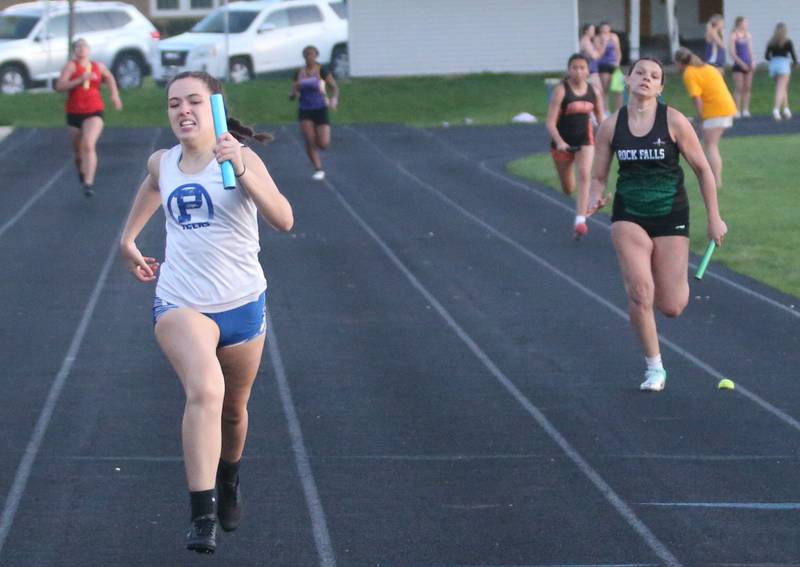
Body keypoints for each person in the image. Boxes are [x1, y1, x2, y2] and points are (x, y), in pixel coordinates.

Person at [119, 71, 293, 554]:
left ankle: (229, 479)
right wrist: (128, 238)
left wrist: (242, 170)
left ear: (214, 106)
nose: (182, 111)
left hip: (242, 304)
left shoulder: (240, 159)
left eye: (193, 101)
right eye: (174, 104)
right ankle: (202, 513)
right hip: (181, 302)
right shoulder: (164, 161)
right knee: (206, 390)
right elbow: (153, 185)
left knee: (234, 411)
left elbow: (284, 219)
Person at [587, 57, 727, 392]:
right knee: (640, 292)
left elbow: (703, 170)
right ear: (629, 79)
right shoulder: (611, 125)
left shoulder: (674, 121)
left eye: (654, 76)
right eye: (640, 73)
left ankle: (658, 291)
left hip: (670, 214)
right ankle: (655, 368)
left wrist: (714, 218)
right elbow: (599, 175)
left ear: (661, 87)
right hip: (629, 214)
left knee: (672, 305)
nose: (646, 79)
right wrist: (596, 196)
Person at [545, 53, 604, 238]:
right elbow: (550, 122)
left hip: (585, 140)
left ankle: (580, 221)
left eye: (582, 67)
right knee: (568, 188)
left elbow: (601, 119)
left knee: (585, 175)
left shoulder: (594, 91)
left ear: (588, 71)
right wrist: (561, 142)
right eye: (574, 67)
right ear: (568, 70)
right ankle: (580, 209)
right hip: (562, 143)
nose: (578, 71)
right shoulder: (562, 90)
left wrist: (608, 138)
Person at [55, 37, 122, 197]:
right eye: (78, 46)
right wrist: (80, 80)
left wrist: (114, 95)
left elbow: (109, 77)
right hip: (74, 112)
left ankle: (88, 183)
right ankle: (81, 171)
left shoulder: (97, 66)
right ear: (74, 50)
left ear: (89, 49)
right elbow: (60, 86)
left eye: (84, 46)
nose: (81, 49)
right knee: (78, 153)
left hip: (94, 110)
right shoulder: (71, 66)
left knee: (89, 144)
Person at [674, 47, 736, 189]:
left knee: (710, 145)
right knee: (709, 145)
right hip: (726, 106)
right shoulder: (708, 67)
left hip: (716, 110)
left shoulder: (689, 73)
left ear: (680, 62)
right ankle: (713, 179)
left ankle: (715, 181)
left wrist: (701, 116)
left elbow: (697, 98)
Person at [290, 45, 339, 180]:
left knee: (323, 143)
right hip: (305, 110)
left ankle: (316, 145)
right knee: (309, 139)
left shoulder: (322, 70)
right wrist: (295, 92)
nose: (309, 57)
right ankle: (318, 168)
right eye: (307, 54)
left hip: (320, 108)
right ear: (304, 57)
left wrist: (334, 99)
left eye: (311, 54)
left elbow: (334, 87)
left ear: (316, 56)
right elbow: (293, 93)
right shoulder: (299, 73)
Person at [765, 22, 797, 120]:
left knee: (782, 87)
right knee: (780, 88)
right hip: (783, 64)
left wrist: (773, 61)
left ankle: (786, 109)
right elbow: (793, 56)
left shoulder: (771, 41)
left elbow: (766, 56)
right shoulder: (788, 41)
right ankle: (776, 109)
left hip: (774, 64)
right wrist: (794, 64)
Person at [579, 24, 606, 118]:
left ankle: (596, 113)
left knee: (597, 92)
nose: (593, 32)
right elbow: (595, 56)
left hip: (593, 70)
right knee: (597, 92)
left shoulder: (589, 41)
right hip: (590, 71)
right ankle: (598, 114)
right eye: (592, 30)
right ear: (586, 31)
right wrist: (603, 46)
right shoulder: (585, 41)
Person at [729, 16, 754, 117]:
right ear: (739, 23)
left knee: (747, 87)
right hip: (738, 65)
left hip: (748, 63)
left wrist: (752, 61)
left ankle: (746, 109)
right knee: (739, 87)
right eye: (745, 22)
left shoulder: (747, 35)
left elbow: (750, 50)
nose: (746, 24)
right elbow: (732, 53)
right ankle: (737, 109)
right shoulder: (733, 35)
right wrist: (741, 63)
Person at [596, 22, 622, 113]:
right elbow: (599, 54)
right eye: (603, 30)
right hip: (603, 65)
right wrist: (604, 42)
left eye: (607, 29)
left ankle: (619, 110)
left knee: (618, 89)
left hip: (614, 65)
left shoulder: (614, 37)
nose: (605, 32)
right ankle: (606, 110)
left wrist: (618, 62)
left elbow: (618, 51)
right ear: (600, 30)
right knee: (605, 89)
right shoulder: (597, 38)